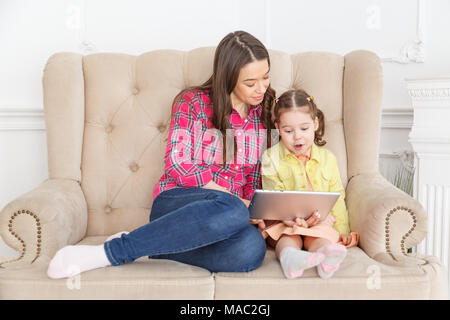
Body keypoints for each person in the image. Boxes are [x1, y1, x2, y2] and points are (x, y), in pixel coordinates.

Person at [46, 31, 276, 279]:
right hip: (177, 203)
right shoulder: (193, 102)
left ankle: (157, 243)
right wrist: (235, 202)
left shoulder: (262, 112)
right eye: (251, 83)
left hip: (225, 217)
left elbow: (254, 178)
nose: (261, 88)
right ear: (228, 78)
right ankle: (113, 251)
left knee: (251, 248)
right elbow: (178, 165)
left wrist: (258, 211)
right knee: (233, 208)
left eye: (265, 78)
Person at [251, 89, 359, 280]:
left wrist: (342, 231)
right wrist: (290, 219)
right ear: (278, 128)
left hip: (319, 221)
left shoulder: (328, 159)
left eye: (304, 128)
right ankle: (290, 259)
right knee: (287, 237)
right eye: (288, 131)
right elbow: (274, 197)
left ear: (315, 124)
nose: (297, 137)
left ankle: (327, 259)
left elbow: (338, 197)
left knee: (320, 236)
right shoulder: (270, 157)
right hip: (285, 221)